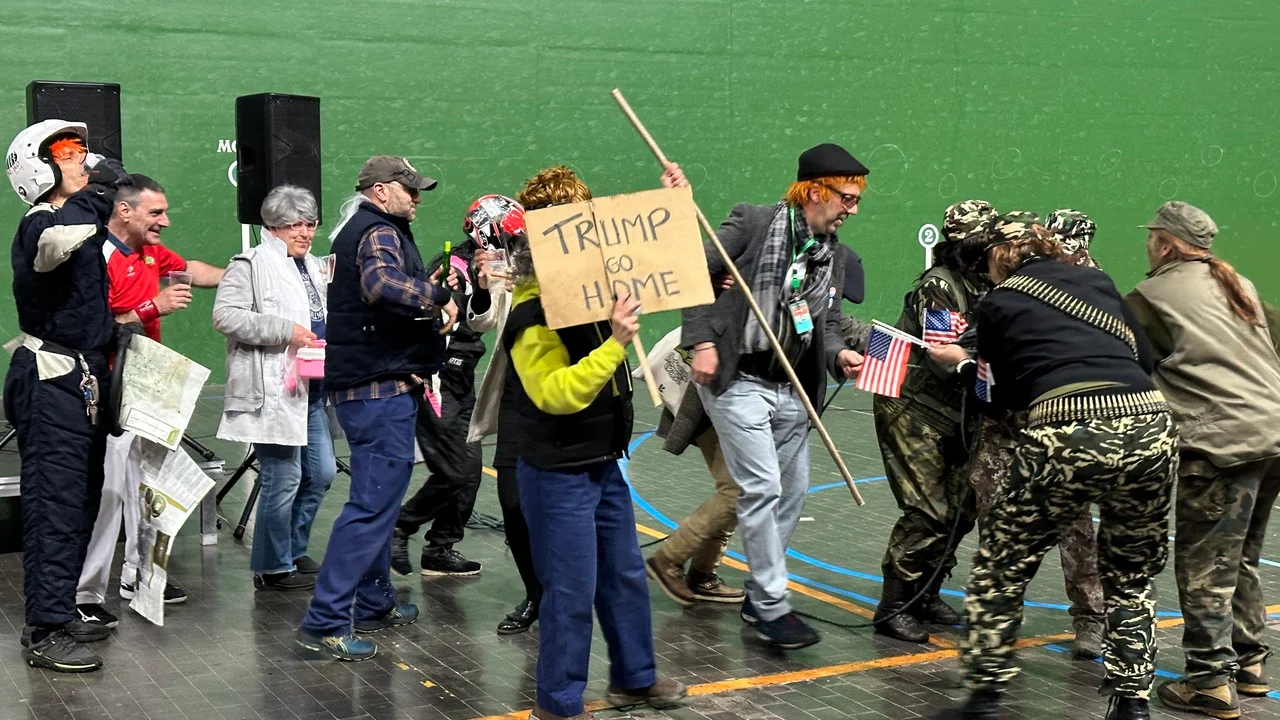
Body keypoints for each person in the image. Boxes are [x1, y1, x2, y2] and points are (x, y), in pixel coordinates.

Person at [927, 214, 1177, 720]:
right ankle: (1132, 704)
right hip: (1151, 427)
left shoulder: (998, 302)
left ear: (1000, 256)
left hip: (1068, 429)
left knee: (1002, 561)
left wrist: (960, 364)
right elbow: (1144, 359)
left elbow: (999, 395)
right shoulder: (1097, 283)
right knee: (1130, 573)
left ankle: (982, 696)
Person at [508, 165, 685, 719]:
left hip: (601, 462)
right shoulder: (531, 314)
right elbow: (555, 393)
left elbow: (655, 259)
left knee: (624, 575)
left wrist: (671, 205)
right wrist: (615, 344)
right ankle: (557, 704)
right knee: (570, 589)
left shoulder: (589, 289)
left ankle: (635, 678)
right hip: (556, 471)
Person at [683, 143, 866, 650]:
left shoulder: (833, 255)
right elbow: (691, 271)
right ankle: (770, 605)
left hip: (791, 388)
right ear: (815, 191)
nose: (852, 210)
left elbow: (826, 322)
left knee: (792, 491)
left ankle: (757, 596)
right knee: (761, 487)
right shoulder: (754, 222)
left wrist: (838, 356)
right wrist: (701, 342)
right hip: (739, 378)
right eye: (847, 198)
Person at [296, 156, 458, 661]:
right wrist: (437, 295)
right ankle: (324, 622)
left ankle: (373, 602)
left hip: (374, 387)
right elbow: (382, 285)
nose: (417, 197)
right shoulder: (378, 230)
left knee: (380, 504)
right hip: (377, 391)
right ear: (381, 191)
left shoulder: (364, 228)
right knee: (370, 507)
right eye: (410, 189)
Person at [1126, 202, 1280, 720]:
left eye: (1152, 237)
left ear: (1166, 244)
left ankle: (1210, 683)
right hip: (1271, 437)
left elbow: (1124, 364)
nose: (1147, 245)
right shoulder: (1238, 284)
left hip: (1222, 446)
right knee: (1241, 556)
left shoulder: (1152, 296)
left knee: (1205, 566)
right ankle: (1249, 663)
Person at [4, 120, 131, 671]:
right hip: (50, 379)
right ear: (39, 167)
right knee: (53, 505)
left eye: (81, 149)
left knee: (80, 500)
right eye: (66, 152)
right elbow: (58, 241)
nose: (81, 158)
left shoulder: (79, 223)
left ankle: (62, 607)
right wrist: (100, 191)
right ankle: (45, 628)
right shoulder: (42, 223)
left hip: (79, 379)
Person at [75, 174, 224, 623]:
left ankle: (137, 577)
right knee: (109, 494)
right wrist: (152, 307)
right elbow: (93, 328)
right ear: (125, 211)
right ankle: (85, 596)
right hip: (107, 392)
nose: (166, 221)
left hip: (149, 388)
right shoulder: (97, 256)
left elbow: (190, 269)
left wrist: (244, 274)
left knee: (147, 489)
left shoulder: (151, 252)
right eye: (156, 212)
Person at [968, 208, 1107, 660]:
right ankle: (1002, 613)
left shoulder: (1077, 285)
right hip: (1003, 431)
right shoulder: (1003, 291)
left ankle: (1091, 617)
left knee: (1074, 525)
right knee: (996, 519)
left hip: (1055, 425)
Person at [869, 200, 992, 644]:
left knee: (961, 508)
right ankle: (893, 605)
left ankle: (925, 591)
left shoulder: (985, 283)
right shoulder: (939, 286)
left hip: (953, 411)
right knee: (928, 510)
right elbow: (943, 358)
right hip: (911, 405)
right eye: (984, 238)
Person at [213, 185, 337, 592]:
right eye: (294, 225)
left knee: (322, 473)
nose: (304, 232)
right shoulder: (248, 264)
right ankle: (272, 566)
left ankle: (293, 549)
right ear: (272, 227)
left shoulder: (315, 264)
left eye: (310, 224)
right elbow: (226, 316)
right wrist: (285, 331)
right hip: (273, 391)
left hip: (311, 389)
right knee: (282, 478)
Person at [391, 195, 523, 577]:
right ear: (490, 235)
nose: (517, 246)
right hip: (438, 379)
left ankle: (440, 548)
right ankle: (399, 527)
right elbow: (424, 313)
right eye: (512, 239)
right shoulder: (452, 267)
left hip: (463, 380)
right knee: (454, 469)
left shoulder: (500, 269)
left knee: (469, 471)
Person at [458, 196, 542, 635]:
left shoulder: (552, 256)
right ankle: (536, 593)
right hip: (515, 393)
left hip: (558, 390)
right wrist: (481, 285)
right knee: (511, 500)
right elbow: (482, 322)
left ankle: (563, 587)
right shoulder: (498, 266)